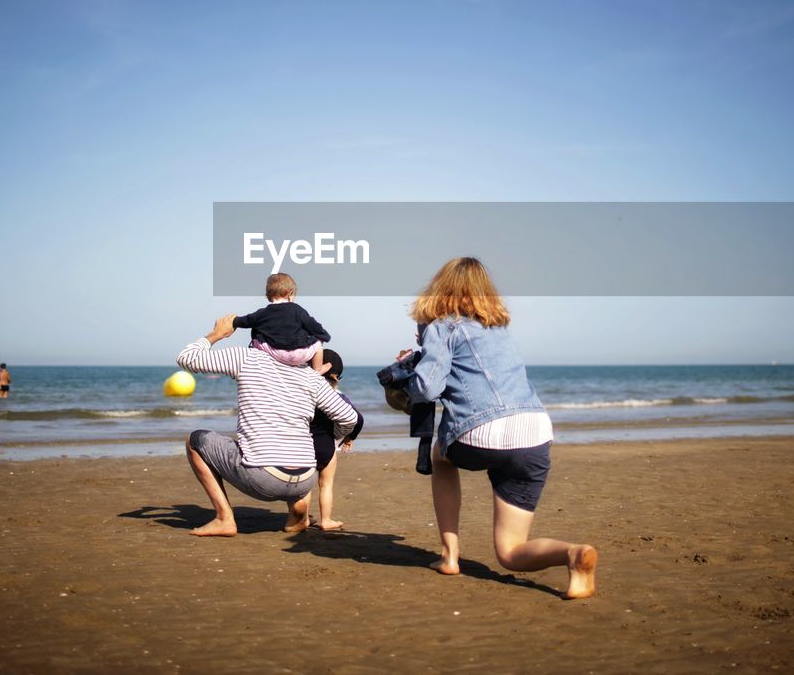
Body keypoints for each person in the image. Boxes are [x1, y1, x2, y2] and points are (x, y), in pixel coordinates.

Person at [395, 257, 598, 600]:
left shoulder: (443, 326)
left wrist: (406, 372)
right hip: (534, 431)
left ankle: (449, 555)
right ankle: (573, 554)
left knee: (441, 459)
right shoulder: (499, 328)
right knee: (511, 552)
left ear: (439, 288)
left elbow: (428, 389)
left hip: (482, 431)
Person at [177, 314, 359, 537]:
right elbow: (350, 418)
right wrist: (335, 438)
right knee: (293, 444)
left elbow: (187, 358)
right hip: (305, 480)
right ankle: (297, 510)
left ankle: (224, 519)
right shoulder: (309, 376)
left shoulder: (247, 357)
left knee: (194, 440)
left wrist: (217, 335)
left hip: (264, 479)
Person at [233, 272, 332, 375]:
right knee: (318, 343)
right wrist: (325, 336)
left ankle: (260, 363)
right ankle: (317, 370)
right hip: (298, 355)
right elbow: (313, 326)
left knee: (257, 334)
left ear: (267, 296)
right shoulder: (297, 310)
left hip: (273, 353)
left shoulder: (262, 313)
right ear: (290, 293)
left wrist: (234, 321)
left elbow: (246, 321)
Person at [309, 349, 364, 531]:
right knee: (326, 485)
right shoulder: (337, 397)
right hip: (326, 446)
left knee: (304, 486)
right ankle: (326, 520)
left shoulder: (302, 393)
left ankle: (301, 518)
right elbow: (358, 418)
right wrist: (349, 436)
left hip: (302, 446)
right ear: (336, 377)